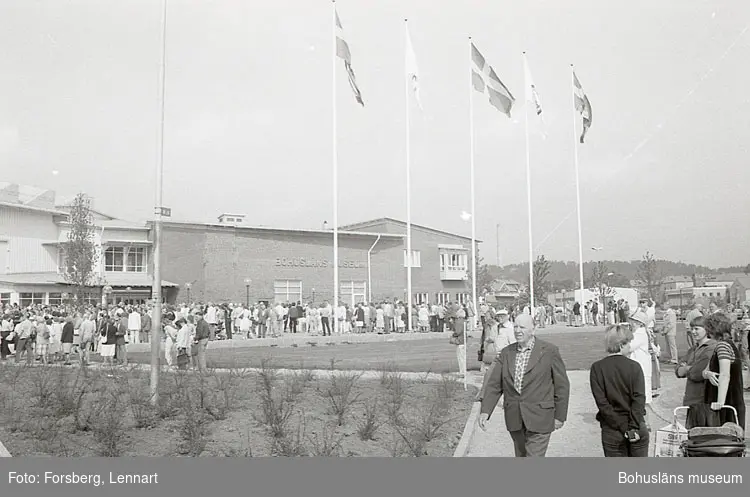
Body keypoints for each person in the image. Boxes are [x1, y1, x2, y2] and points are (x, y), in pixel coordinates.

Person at [478, 314, 570, 457]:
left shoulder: (549, 351)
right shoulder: (506, 353)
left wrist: (560, 416)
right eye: (515, 327)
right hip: (515, 417)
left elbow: (562, 385)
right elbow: (495, 384)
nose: (518, 331)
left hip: (540, 417)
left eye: (522, 327)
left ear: (533, 329)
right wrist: (485, 410)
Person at [589, 325, 649, 457]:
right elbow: (639, 399)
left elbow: (603, 403)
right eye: (628, 343)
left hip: (612, 427)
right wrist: (632, 427)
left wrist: (623, 427)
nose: (629, 347)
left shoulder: (597, 368)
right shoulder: (634, 366)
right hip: (636, 424)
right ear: (621, 345)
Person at [702, 313, 746, 431]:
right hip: (728, 398)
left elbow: (725, 374)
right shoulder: (727, 345)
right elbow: (705, 370)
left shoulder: (722, 347)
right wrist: (708, 374)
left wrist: (720, 402)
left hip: (727, 401)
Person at [675, 315, 717, 428]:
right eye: (692, 329)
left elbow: (697, 373)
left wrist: (687, 368)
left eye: (697, 329)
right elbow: (678, 371)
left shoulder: (711, 347)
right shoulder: (693, 349)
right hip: (692, 399)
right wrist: (689, 368)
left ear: (706, 329)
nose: (693, 332)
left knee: (702, 436)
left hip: (704, 399)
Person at [627, 310, 653, 405]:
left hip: (641, 364)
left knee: (643, 390)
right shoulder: (638, 333)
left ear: (640, 323)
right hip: (639, 363)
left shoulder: (639, 334)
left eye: (635, 321)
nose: (632, 323)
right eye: (632, 321)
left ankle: (645, 413)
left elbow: (629, 348)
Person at [452, 306, 466, 377]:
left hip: (460, 341)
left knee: (460, 357)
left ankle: (462, 372)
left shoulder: (459, 322)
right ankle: (463, 371)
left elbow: (458, 331)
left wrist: (454, 334)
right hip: (463, 340)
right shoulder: (463, 321)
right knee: (463, 356)